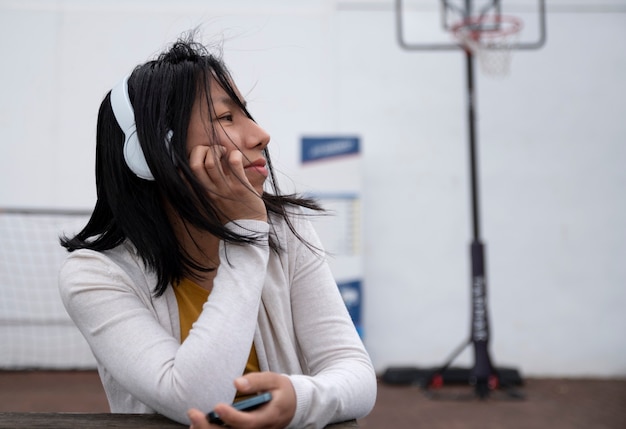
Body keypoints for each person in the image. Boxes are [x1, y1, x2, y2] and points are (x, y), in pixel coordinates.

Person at [58, 32, 376, 429]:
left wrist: (300, 400)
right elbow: (197, 399)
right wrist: (246, 232)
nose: (261, 135)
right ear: (156, 151)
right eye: (227, 118)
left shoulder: (285, 231)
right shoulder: (95, 275)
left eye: (246, 113)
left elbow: (356, 373)